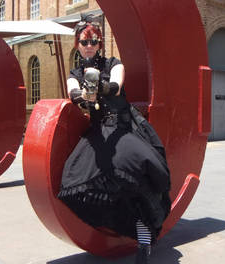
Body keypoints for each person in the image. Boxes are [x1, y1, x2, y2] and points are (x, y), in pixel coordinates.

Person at [57, 14, 171, 264]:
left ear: (100, 43)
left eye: (94, 42)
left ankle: (143, 245)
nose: (89, 46)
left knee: (132, 169)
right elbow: (73, 94)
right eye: (84, 42)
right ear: (77, 44)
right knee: (75, 179)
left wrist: (99, 87)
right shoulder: (75, 72)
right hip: (99, 132)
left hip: (123, 126)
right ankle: (129, 231)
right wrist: (83, 96)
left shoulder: (113, 63)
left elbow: (117, 86)